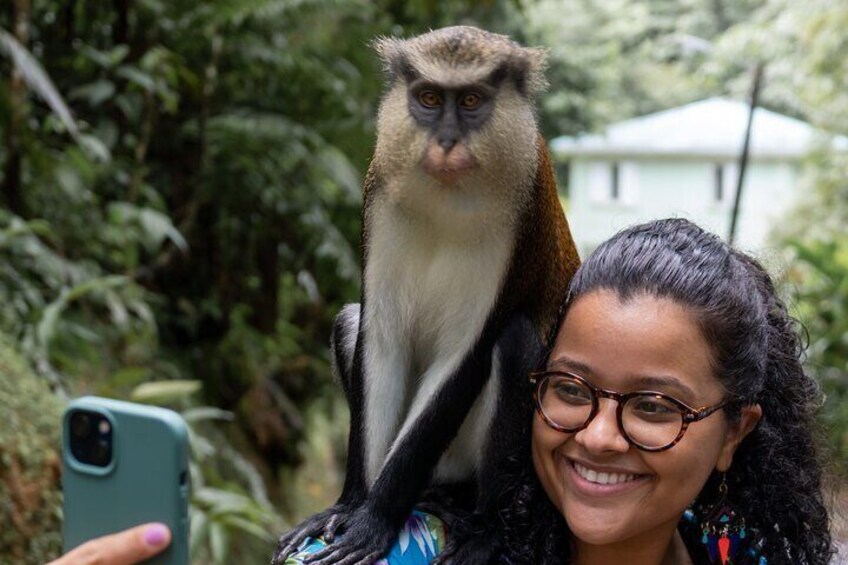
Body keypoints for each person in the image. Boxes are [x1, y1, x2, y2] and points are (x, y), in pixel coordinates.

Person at [50, 218, 833, 565]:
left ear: (734, 430)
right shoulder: (413, 556)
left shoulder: (744, 551)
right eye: (571, 388)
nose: (597, 434)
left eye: (654, 405)